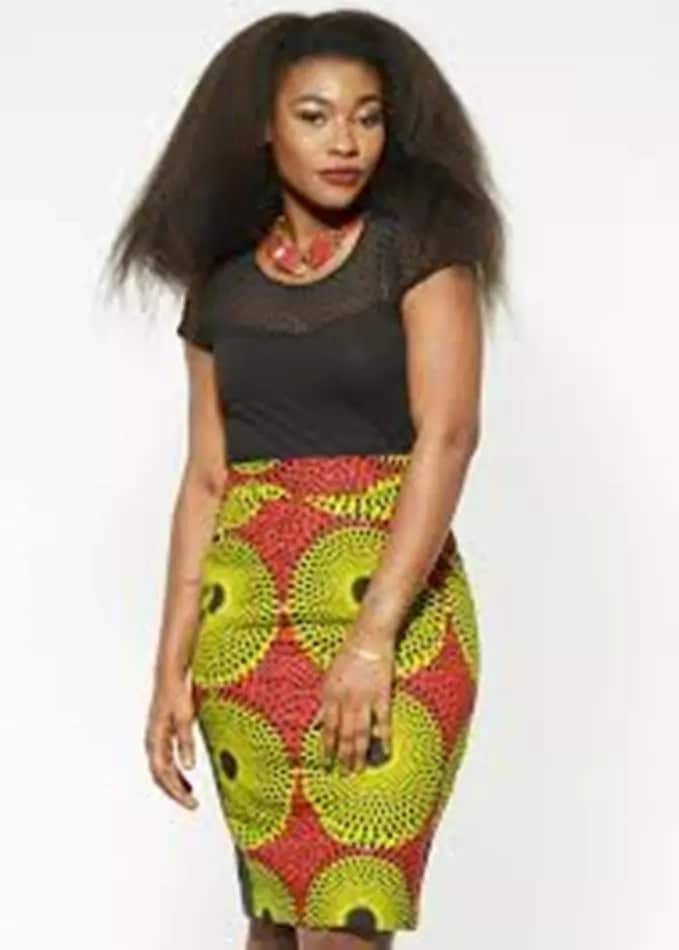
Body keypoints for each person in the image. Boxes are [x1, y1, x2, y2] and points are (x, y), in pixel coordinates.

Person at [106, 9, 506, 949]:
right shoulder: (220, 286)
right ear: (264, 126)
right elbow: (207, 479)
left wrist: (371, 638)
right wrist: (169, 666)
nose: (345, 142)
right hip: (246, 630)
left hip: (393, 622)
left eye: (367, 117)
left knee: (346, 918)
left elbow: (448, 436)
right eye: (315, 115)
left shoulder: (420, 249)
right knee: (275, 923)